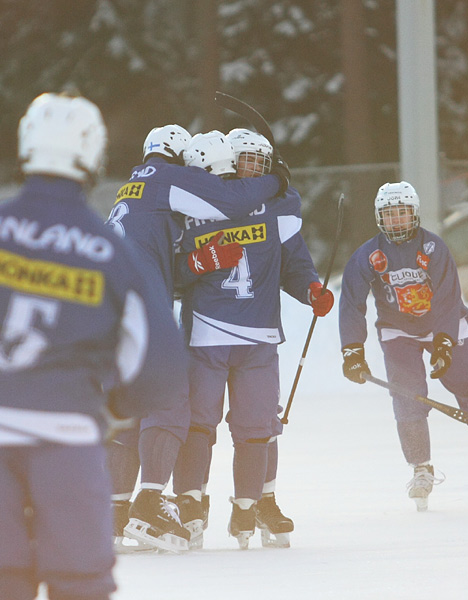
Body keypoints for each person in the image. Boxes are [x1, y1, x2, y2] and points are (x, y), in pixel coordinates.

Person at [0, 92, 187, 600]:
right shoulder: (107, 249)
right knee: (80, 577)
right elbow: (160, 362)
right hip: (63, 424)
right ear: (93, 158)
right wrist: (118, 404)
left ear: (26, 147)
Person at [104, 125, 292, 553]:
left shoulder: (131, 187)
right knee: (169, 405)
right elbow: (233, 199)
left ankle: (114, 516)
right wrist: (276, 179)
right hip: (139, 309)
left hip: (108, 308)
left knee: (129, 415)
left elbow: (165, 262)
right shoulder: (166, 178)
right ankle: (148, 505)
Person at [172, 130, 333, 549]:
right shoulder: (194, 204)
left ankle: (257, 502)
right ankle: (191, 502)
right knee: (197, 423)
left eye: (260, 162)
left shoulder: (276, 208)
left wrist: (311, 290)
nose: (251, 168)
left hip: (258, 334)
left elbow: (295, 265)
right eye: (245, 159)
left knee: (259, 425)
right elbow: (169, 272)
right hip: (206, 332)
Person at [338, 181, 468, 512]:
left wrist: (444, 342)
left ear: (414, 215)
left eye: (402, 214)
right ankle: (421, 469)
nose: (396, 221)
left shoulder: (433, 248)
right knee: (406, 397)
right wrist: (352, 350)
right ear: (379, 218)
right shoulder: (368, 255)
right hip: (398, 329)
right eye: (389, 215)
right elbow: (351, 303)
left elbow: (447, 297)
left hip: (444, 324)